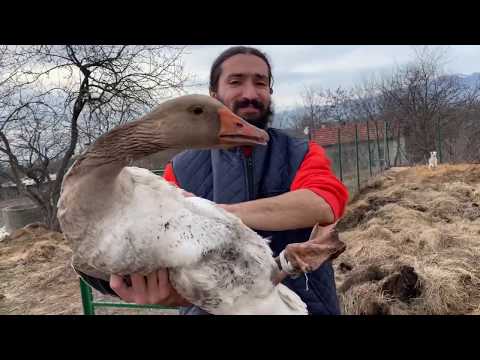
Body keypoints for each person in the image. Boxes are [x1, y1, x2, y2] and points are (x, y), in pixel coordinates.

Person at [80, 46, 349, 315]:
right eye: (236, 82)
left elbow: (323, 203)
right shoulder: (179, 169)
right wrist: (170, 292)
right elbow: (164, 251)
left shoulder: (300, 151)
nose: (250, 93)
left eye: (260, 82)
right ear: (213, 95)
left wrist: (212, 214)